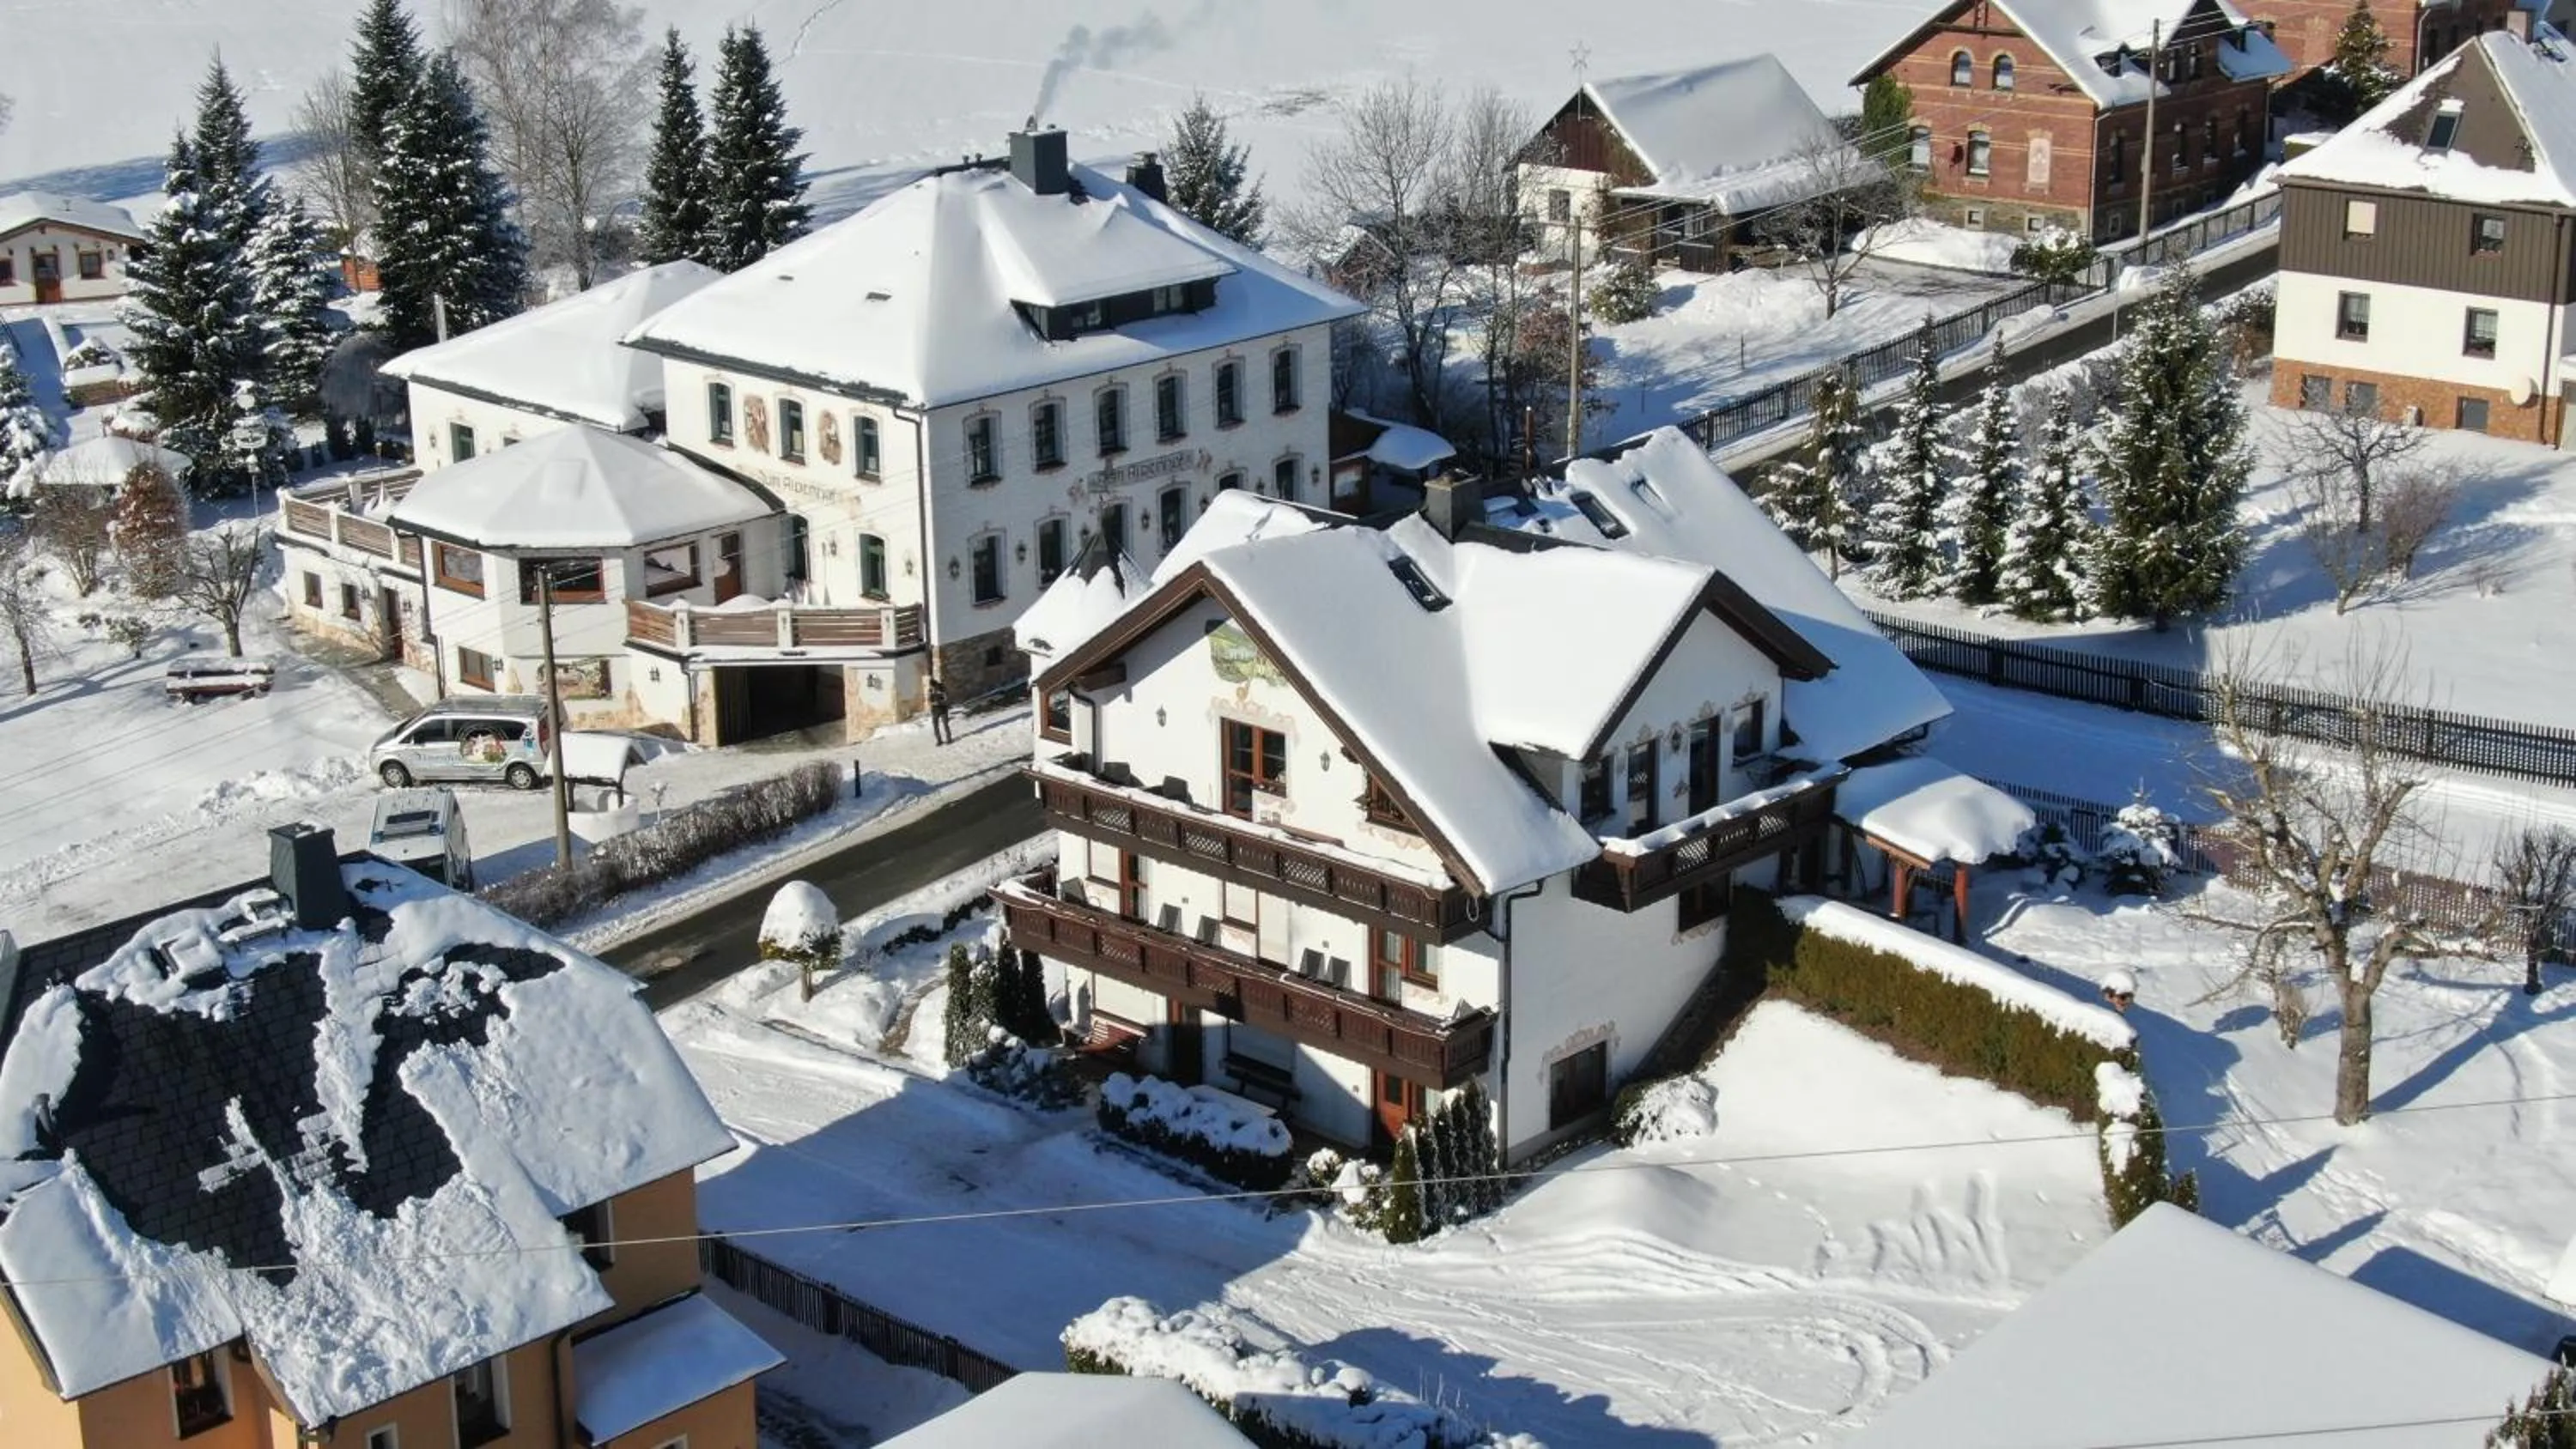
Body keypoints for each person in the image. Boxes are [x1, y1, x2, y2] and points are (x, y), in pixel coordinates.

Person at [928, 675, 953, 745]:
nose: (933, 688)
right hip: (934, 711)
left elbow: (946, 699)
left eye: (934, 687)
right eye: (931, 687)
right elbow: (929, 700)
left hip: (943, 710)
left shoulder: (942, 689)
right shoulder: (930, 690)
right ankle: (939, 740)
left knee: (945, 725)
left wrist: (939, 702)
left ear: (936, 685)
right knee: (935, 726)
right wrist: (932, 703)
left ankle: (949, 739)